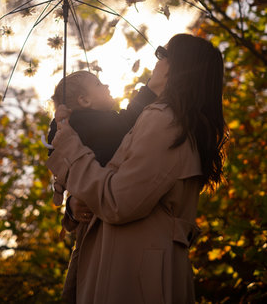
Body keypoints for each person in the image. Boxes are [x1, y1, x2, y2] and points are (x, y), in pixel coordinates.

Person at [47, 34, 229, 304]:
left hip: (134, 273)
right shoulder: (169, 120)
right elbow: (114, 177)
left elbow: (118, 201)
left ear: (177, 66)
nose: (154, 62)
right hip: (129, 264)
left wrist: (69, 146)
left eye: (160, 54)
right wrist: (75, 203)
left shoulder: (164, 120)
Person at [47, 70, 157, 301]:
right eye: (98, 83)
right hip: (103, 207)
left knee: (80, 279)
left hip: (92, 208)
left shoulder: (71, 126)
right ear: (85, 101)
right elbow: (129, 119)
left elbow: (65, 165)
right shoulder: (95, 122)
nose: (106, 84)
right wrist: (147, 92)